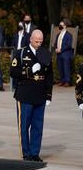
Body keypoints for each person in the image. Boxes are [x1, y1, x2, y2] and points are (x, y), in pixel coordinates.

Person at [11, 29, 53, 161]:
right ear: (30, 39)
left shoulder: (45, 53)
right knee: (24, 125)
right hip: (25, 93)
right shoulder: (21, 53)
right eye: (36, 41)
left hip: (40, 93)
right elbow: (13, 72)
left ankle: (35, 153)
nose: (39, 43)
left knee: (37, 126)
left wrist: (48, 95)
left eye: (41, 41)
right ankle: (26, 153)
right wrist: (29, 71)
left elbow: (49, 76)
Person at [54, 19, 74, 86]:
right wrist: (56, 49)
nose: (60, 26)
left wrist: (61, 49)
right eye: (59, 25)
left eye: (61, 25)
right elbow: (55, 43)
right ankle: (62, 80)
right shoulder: (58, 35)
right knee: (60, 68)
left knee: (66, 67)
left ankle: (67, 82)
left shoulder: (69, 35)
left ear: (65, 26)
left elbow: (68, 45)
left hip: (66, 54)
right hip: (59, 54)